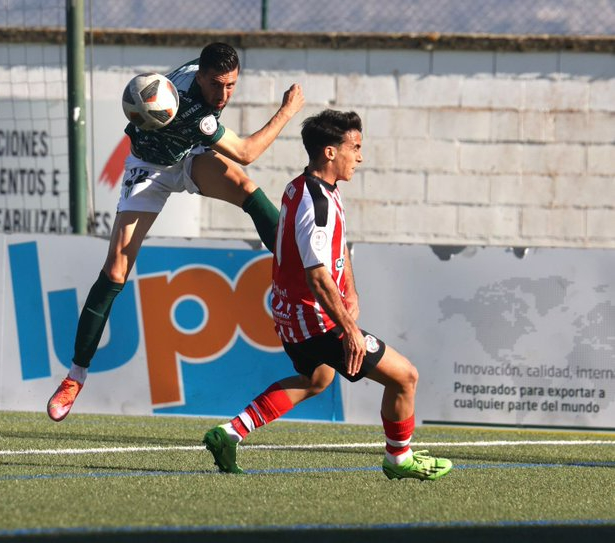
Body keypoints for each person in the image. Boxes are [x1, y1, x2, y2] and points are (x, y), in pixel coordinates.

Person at [47, 42, 305, 422]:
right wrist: (287, 110)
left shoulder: (196, 78)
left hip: (190, 156)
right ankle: (75, 377)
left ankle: (299, 271)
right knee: (116, 268)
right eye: (217, 84)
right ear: (199, 75)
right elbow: (248, 150)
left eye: (232, 85)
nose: (224, 94)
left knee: (247, 190)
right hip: (149, 168)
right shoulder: (193, 110)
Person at [202, 109, 452, 481]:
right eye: (355, 147)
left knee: (315, 380)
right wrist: (350, 329)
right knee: (405, 378)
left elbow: (334, 252)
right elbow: (317, 275)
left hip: (292, 319)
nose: (360, 156)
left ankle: (231, 431)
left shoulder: (301, 187)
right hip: (316, 321)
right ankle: (399, 459)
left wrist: (350, 287)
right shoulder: (317, 205)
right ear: (330, 152)